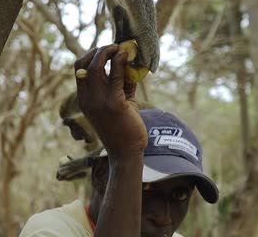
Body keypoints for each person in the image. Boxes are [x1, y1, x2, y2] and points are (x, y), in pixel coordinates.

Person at [20, 45, 219, 237]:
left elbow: (121, 153)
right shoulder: (51, 230)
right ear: (98, 175)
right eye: (146, 187)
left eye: (180, 194)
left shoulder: (127, 118)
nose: (163, 218)